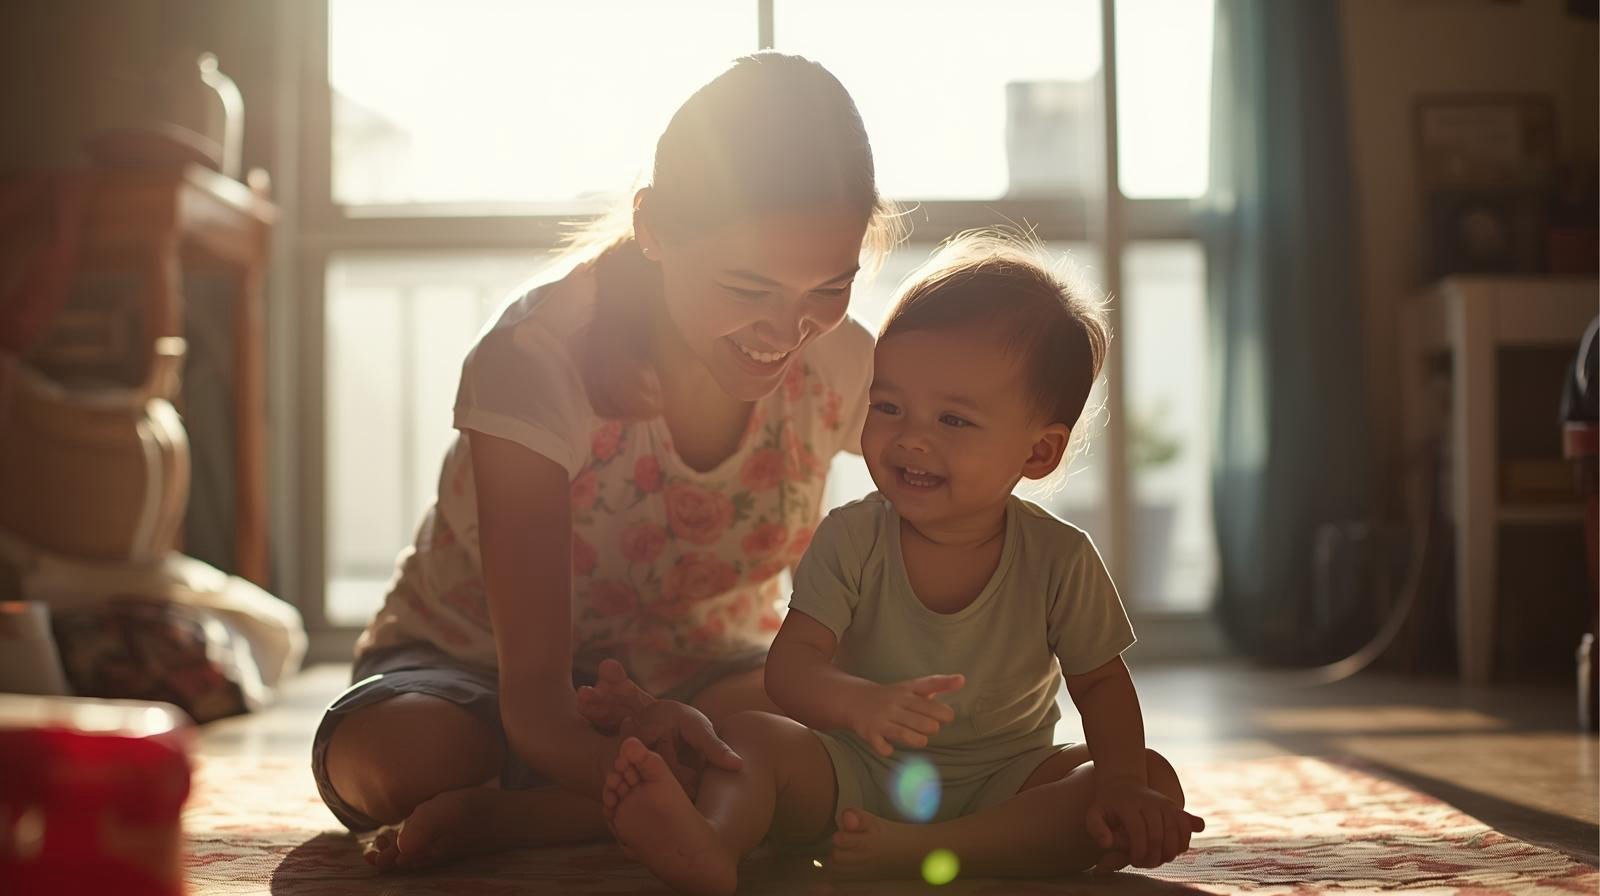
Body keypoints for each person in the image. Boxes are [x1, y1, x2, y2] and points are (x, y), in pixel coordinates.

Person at [310, 52, 900, 869]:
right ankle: (693, 797)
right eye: (747, 286)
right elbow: (539, 709)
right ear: (654, 227)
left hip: (714, 678)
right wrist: (656, 768)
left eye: (825, 290)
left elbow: (953, 508)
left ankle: (529, 818)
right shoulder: (536, 359)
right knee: (407, 757)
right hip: (477, 681)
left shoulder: (844, 363)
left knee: (851, 727)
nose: (786, 331)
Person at [600, 233, 1204, 895]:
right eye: (888, 406)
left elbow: (1102, 686)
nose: (911, 436)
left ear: (1039, 452)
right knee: (753, 740)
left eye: (953, 420)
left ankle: (936, 851)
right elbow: (790, 669)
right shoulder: (852, 538)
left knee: (1147, 776)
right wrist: (855, 702)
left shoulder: (1060, 557)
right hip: (858, 778)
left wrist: (1120, 788)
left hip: (1008, 786)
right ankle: (710, 843)